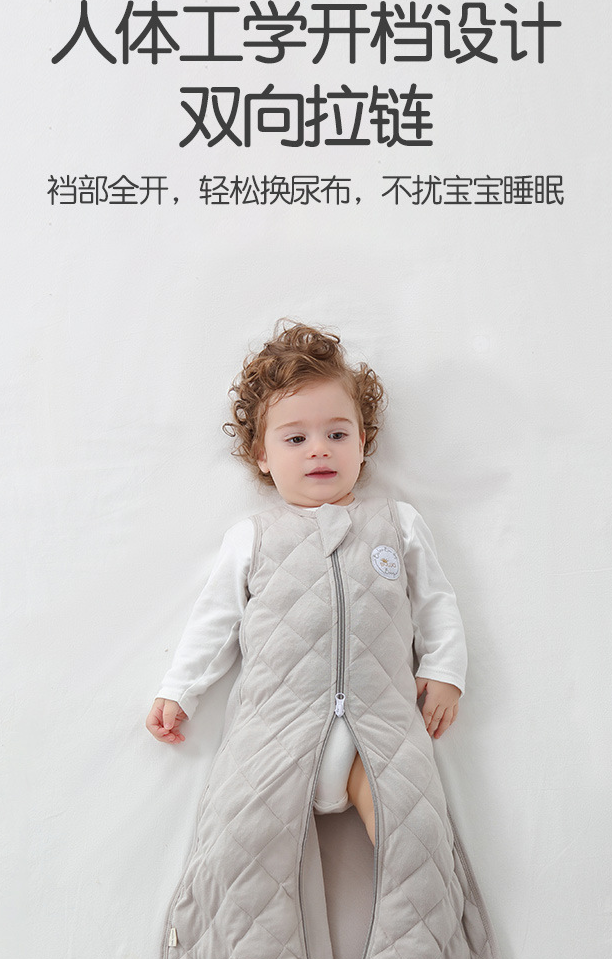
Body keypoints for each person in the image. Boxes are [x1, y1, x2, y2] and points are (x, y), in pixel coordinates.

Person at [146, 322, 467, 850]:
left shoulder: (397, 523)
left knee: (417, 833)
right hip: (275, 734)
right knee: (239, 841)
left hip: (379, 733)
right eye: (296, 439)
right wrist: (180, 689)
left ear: (362, 443)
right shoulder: (253, 537)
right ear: (263, 456)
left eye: (337, 435)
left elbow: (436, 601)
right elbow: (215, 621)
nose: (319, 450)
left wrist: (444, 669)